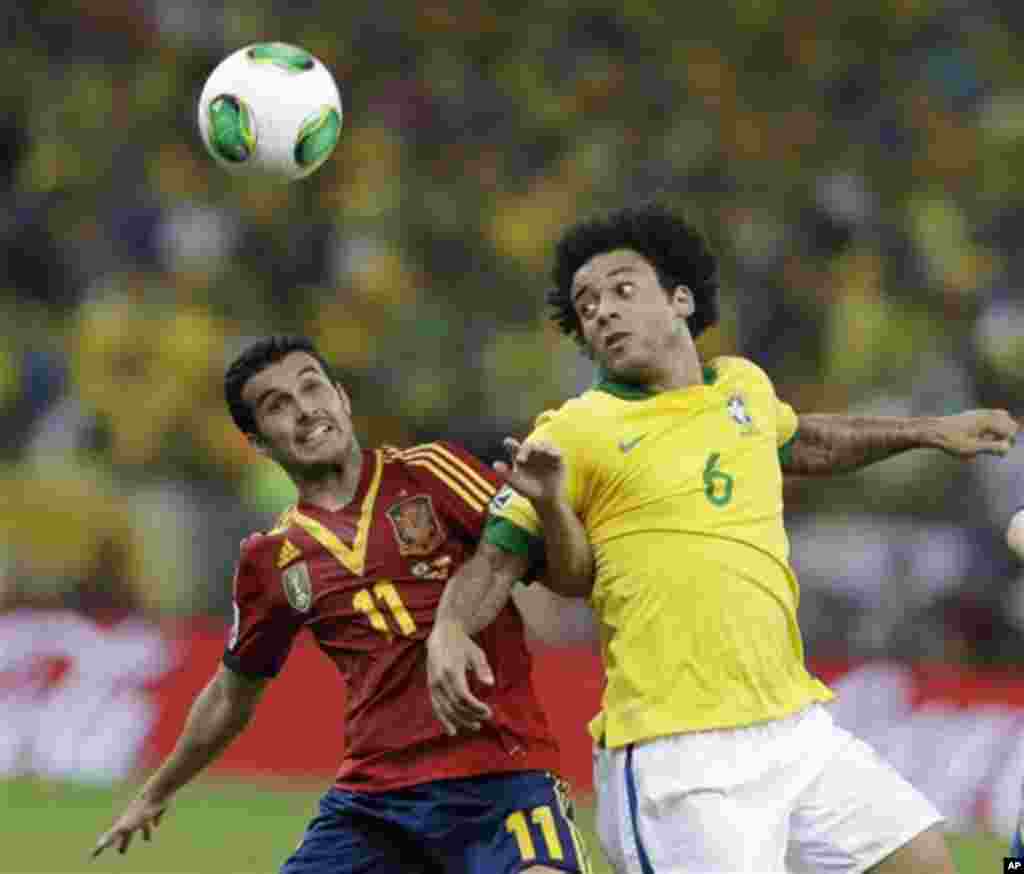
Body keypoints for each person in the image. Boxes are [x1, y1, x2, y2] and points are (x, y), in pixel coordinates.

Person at [425, 203, 1020, 874]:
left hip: (794, 727)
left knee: (925, 864)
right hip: (676, 754)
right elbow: (498, 557)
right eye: (586, 306)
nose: (602, 312)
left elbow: (810, 442)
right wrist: (450, 627)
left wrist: (931, 432)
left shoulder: (742, 386)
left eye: (623, 290)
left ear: (681, 299)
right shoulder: (571, 432)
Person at [92, 335, 592, 874]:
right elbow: (230, 696)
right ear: (258, 441)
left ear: (342, 398)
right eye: (277, 405)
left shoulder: (432, 469)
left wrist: (549, 507)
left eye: (311, 387)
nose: (304, 409)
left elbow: (567, 577)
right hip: (375, 806)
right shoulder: (271, 559)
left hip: (502, 779)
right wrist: (157, 790)